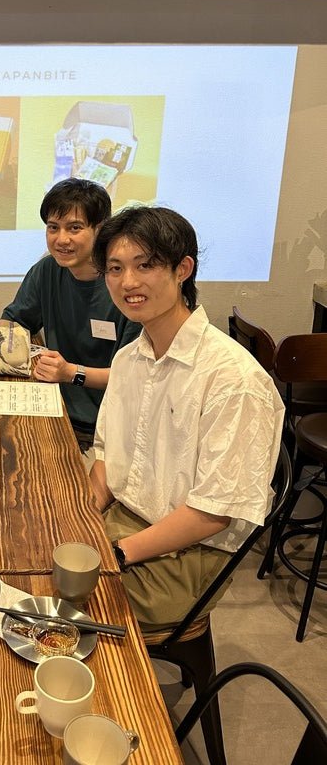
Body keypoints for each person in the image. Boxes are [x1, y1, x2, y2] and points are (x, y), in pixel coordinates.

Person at [89, 205, 283, 631]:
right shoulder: (128, 359)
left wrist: (115, 553)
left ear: (183, 269)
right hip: (127, 515)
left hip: (192, 552)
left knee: (58, 598)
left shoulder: (233, 378)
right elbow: (106, 453)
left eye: (146, 265)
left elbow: (212, 513)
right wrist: (84, 518)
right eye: (116, 268)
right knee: (25, 548)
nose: (129, 282)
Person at [0, 179, 141, 445]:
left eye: (74, 228)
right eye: (53, 228)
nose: (61, 239)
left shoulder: (125, 286)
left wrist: (70, 372)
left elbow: (133, 376)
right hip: (51, 408)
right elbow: (15, 321)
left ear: (101, 229)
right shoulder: (47, 270)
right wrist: (4, 349)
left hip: (107, 429)